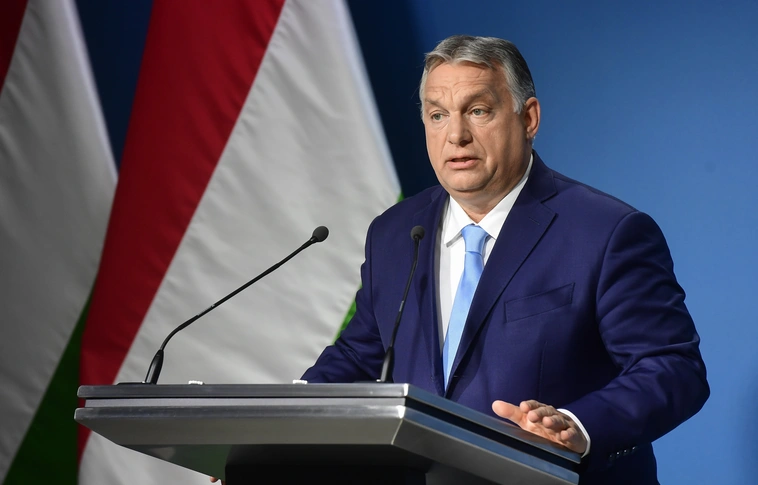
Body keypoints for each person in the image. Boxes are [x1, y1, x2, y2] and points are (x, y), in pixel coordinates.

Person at [299, 34, 709, 484]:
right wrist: (283, 420)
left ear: (528, 118)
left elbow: (672, 368)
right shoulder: (395, 233)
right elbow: (361, 356)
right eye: (437, 115)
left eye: (477, 111)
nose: (455, 135)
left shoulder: (607, 232)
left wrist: (578, 426)